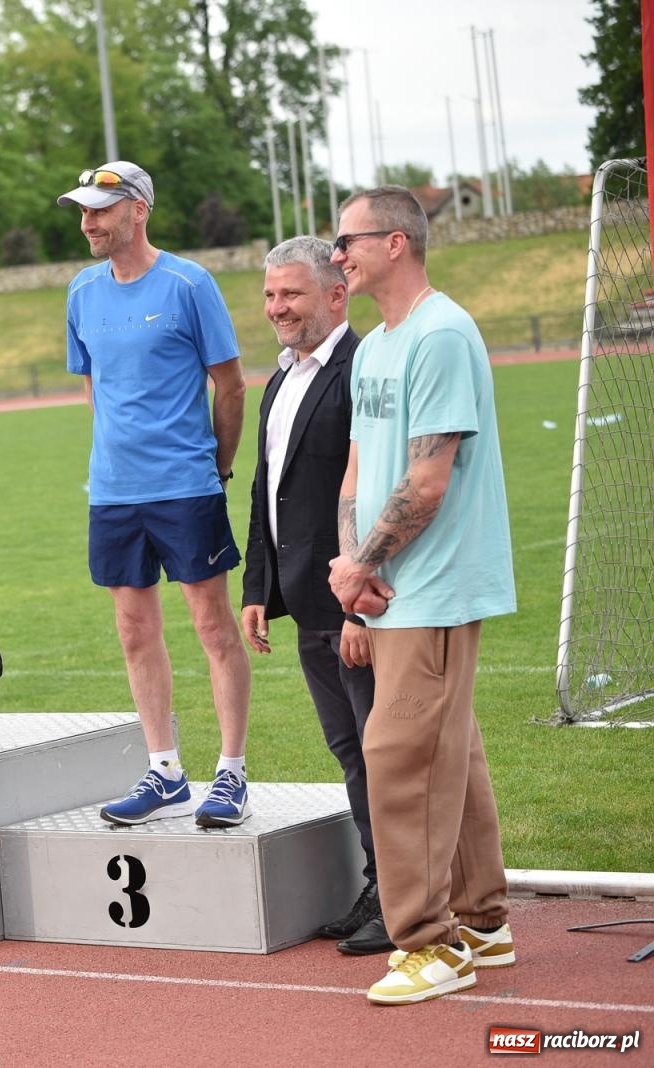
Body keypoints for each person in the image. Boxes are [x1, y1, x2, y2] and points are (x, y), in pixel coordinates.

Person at [326, 186, 516, 1005]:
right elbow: (362, 467)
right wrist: (349, 569)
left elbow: (429, 479)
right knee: (451, 750)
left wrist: (366, 564)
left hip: (432, 587)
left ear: (396, 242)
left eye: (349, 240)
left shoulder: (441, 333)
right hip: (384, 583)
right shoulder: (375, 347)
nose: (339, 254)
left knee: (398, 758)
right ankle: (485, 919)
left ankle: (431, 945)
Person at [59, 161, 253, 829]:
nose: (88, 222)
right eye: (82, 211)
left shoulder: (188, 284)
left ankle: (231, 773)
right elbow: (94, 388)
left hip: (186, 487)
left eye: (100, 210)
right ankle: (165, 770)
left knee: (211, 627)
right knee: (135, 630)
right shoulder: (81, 292)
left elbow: (230, 387)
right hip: (114, 493)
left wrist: (217, 470)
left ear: (137, 210)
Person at [240, 236, 389, 955]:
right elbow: (268, 491)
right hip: (305, 603)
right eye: (271, 296)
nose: (277, 309)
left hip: (354, 606)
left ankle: (402, 897)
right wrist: (257, 587)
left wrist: (358, 604)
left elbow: (371, 490)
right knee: (350, 752)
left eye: (291, 294)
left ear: (337, 295)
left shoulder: (362, 370)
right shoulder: (280, 379)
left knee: (379, 752)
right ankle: (380, 884)